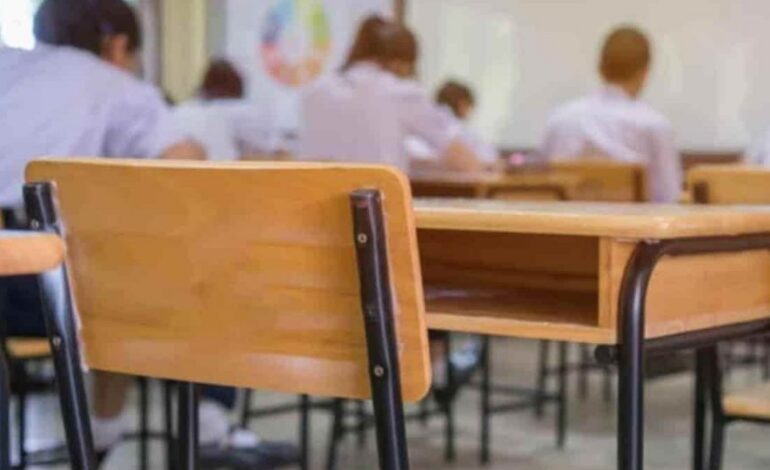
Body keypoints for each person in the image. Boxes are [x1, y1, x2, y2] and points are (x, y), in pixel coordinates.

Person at [0, 1, 295, 468]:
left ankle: (102, 432)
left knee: (109, 268)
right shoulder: (113, 84)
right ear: (117, 45)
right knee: (199, 271)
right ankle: (209, 427)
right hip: (42, 279)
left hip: (19, 279)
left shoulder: (8, 66)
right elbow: (187, 171)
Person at [300, 15, 484, 173]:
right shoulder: (399, 93)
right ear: (400, 62)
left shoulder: (315, 90)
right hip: (375, 200)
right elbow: (461, 158)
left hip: (313, 200)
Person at [540, 26, 682, 203]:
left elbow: (542, 186)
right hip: (632, 221)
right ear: (644, 73)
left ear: (600, 68)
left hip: (567, 220)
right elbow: (669, 198)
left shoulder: (561, 119)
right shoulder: (655, 126)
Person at [172, 59, 281, 160]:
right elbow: (271, 149)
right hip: (222, 169)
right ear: (238, 84)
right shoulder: (239, 110)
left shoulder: (182, 109)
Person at [407, 80, 499, 165]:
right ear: (462, 104)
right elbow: (488, 158)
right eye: (469, 107)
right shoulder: (460, 130)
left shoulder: (419, 123)